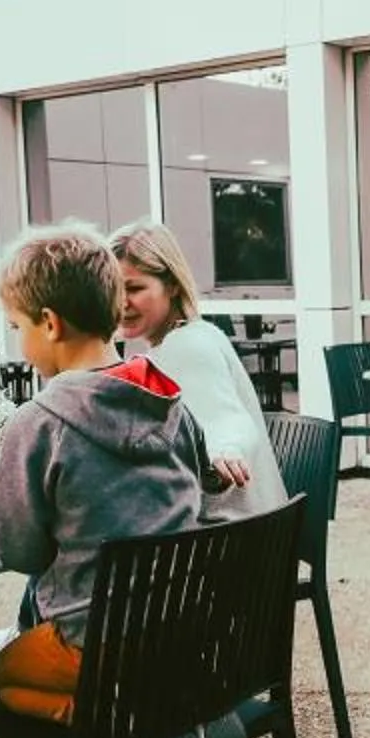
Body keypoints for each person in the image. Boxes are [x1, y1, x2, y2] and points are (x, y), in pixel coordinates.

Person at [0, 223, 235, 738]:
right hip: (179, 630)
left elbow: (21, 552)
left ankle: (126, 719)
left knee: (6, 673)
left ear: (49, 323)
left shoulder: (37, 423)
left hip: (98, 648)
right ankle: (174, 701)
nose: (18, 341)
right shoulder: (169, 399)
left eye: (17, 326)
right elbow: (196, 485)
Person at [109, 219, 285, 521]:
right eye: (112, 290)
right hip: (260, 537)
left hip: (229, 545)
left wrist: (225, 449)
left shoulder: (186, 346)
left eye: (135, 288)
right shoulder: (197, 333)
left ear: (173, 284)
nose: (122, 302)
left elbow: (228, 420)